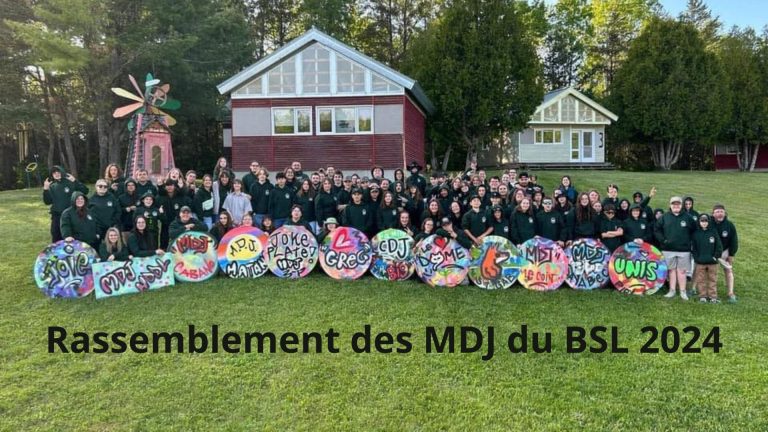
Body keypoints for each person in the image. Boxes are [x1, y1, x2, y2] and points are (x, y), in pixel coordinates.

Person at [655, 196, 696, 300]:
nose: (676, 206)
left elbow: (695, 231)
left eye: (678, 204)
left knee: (682, 271)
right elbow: (657, 230)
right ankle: (672, 290)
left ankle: (683, 291)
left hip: (684, 250)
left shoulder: (688, 217)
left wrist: (689, 242)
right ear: (670, 205)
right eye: (674, 204)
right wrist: (663, 240)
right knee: (671, 271)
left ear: (681, 205)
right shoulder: (664, 217)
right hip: (668, 249)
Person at [43, 165, 89, 243]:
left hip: (71, 214)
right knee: (56, 235)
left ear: (62, 172)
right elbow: (47, 201)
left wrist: (75, 181)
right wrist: (45, 189)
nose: (56, 174)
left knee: (71, 236)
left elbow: (85, 191)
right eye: (54, 173)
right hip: (57, 215)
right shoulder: (52, 186)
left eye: (58, 172)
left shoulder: (70, 182)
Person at [691, 213, 723, 303]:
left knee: (712, 279)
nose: (704, 223)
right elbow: (694, 248)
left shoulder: (713, 232)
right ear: (699, 222)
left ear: (709, 222)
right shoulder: (696, 234)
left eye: (706, 221)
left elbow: (719, 246)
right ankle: (703, 296)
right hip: (700, 261)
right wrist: (697, 258)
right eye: (702, 221)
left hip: (712, 262)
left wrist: (715, 256)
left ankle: (713, 297)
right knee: (701, 279)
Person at [712, 203, 738, 302]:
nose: (720, 214)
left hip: (724, 251)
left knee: (728, 270)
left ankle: (730, 293)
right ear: (713, 214)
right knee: (711, 271)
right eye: (717, 212)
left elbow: (734, 241)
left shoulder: (729, 225)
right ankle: (711, 292)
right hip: (712, 252)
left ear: (724, 213)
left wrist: (731, 254)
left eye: (721, 212)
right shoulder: (709, 223)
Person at [158, 179, 191, 248]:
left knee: (178, 239)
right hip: (165, 221)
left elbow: (185, 195)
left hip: (177, 221)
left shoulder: (180, 196)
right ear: (165, 186)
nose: (169, 187)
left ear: (174, 186)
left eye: (171, 185)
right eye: (167, 185)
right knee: (164, 239)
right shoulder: (161, 196)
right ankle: (164, 250)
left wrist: (182, 187)